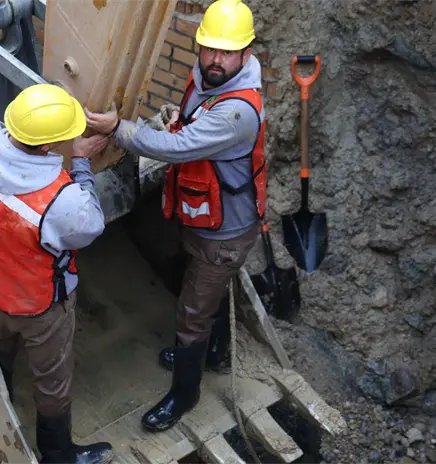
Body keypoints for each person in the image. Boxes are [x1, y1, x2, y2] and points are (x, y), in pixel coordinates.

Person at [84, 0, 268, 432]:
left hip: (225, 232)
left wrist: (117, 130)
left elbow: (178, 149)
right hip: (205, 217)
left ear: (246, 52)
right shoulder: (206, 80)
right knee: (207, 292)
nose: (215, 60)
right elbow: (188, 129)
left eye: (226, 52)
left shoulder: (239, 110)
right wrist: (176, 118)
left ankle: (184, 396)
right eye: (209, 49)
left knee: (192, 312)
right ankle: (216, 353)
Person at [0, 83, 114, 464]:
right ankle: (57, 454)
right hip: (39, 308)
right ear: (46, 147)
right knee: (51, 381)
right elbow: (91, 226)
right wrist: (82, 164)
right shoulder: (62, 200)